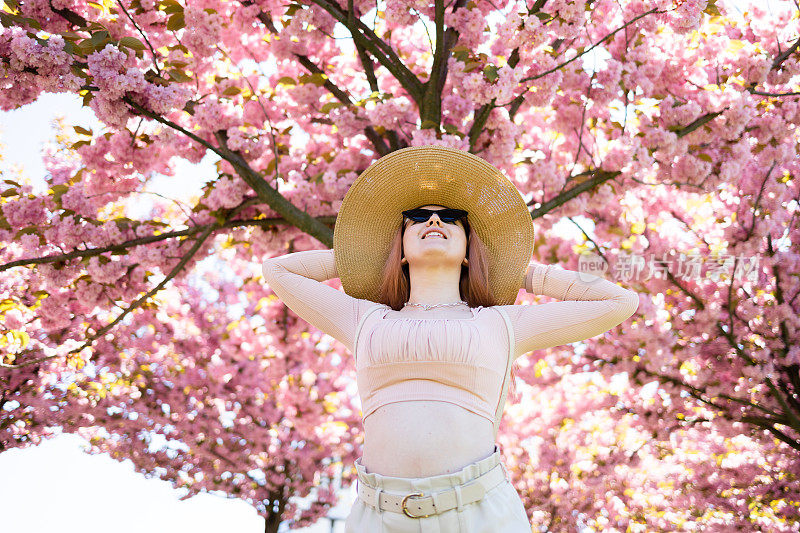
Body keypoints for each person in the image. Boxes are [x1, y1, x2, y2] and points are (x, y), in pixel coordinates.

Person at [261, 145, 640, 532]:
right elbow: (278, 271)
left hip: (478, 512)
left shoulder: (501, 323)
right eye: (417, 218)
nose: (435, 220)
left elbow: (618, 301)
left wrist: (524, 272)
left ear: (466, 251)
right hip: (378, 516)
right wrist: (364, 254)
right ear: (402, 250)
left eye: (453, 218)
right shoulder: (362, 318)